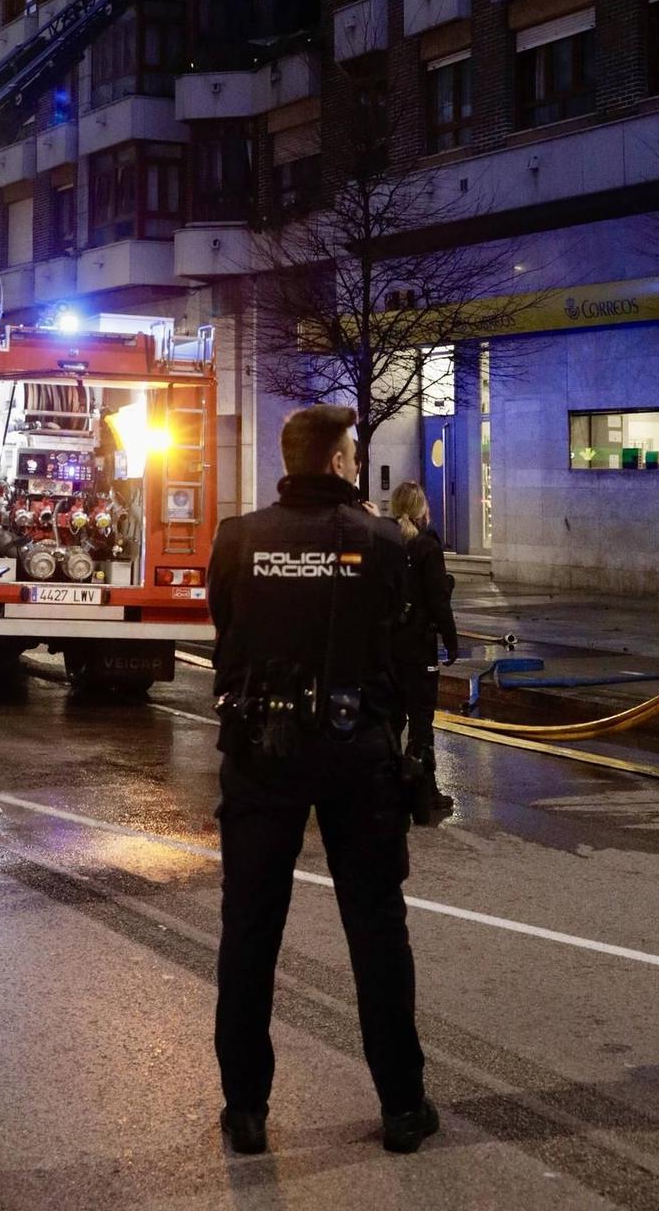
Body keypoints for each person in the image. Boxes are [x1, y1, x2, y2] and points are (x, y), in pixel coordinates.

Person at [208, 404, 436, 1160]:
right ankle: (402, 1107)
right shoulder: (379, 540)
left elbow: (224, 625)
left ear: (289, 460)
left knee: (249, 928)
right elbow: (404, 648)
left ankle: (245, 1110)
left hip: (260, 751)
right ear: (339, 462)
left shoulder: (238, 539)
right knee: (375, 927)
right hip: (355, 752)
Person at [389, 482, 459, 816]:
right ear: (422, 509)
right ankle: (424, 793)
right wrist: (451, 639)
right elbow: (437, 600)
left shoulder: (385, 543)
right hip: (418, 647)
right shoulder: (427, 547)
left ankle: (385, 787)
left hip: (389, 647)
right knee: (421, 721)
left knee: (391, 720)